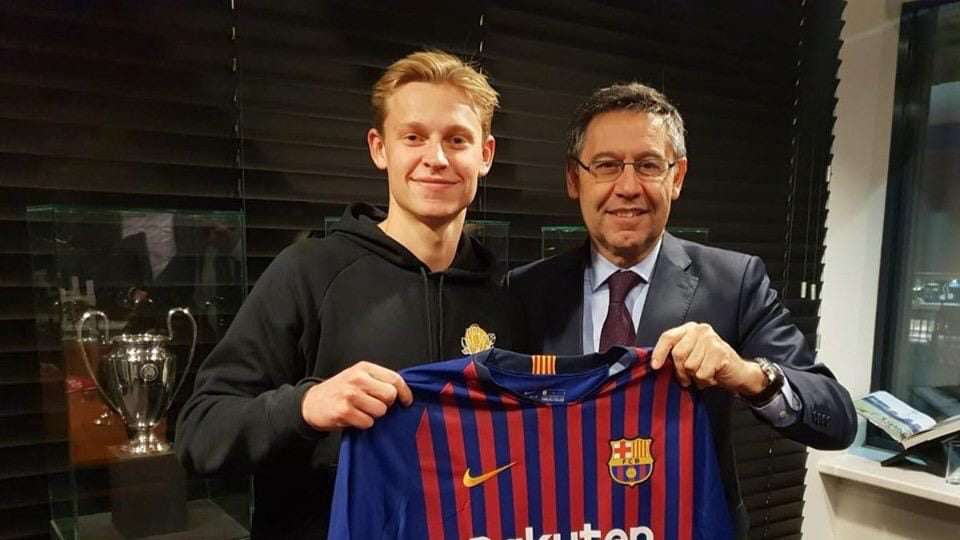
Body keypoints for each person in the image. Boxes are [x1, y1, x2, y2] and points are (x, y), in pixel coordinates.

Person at [175, 50, 523, 539]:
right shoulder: (307, 273)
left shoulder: (506, 297)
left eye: (456, 139)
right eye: (413, 137)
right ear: (380, 149)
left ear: (485, 155)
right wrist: (305, 407)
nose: (437, 158)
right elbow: (199, 432)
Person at [506, 82, 857, 537]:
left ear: (677, 177)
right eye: (606, 165)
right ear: (575, 179)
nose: (627, 187)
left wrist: (746, 374)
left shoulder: (735, 282)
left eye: (649, 165)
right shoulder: (527, 290)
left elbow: (837, 419)